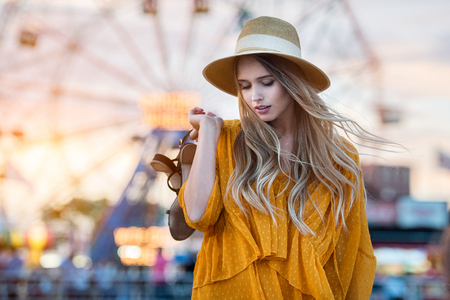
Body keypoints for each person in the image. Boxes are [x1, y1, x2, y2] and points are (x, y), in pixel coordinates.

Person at [179, 16, 379, 299]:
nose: (254, 97)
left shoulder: (339, 156)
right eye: (245, 86)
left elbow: (350, 254)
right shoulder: (227, 138)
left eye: (266, 82)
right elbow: (198, 215)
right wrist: (209, 132)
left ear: (292, 82)